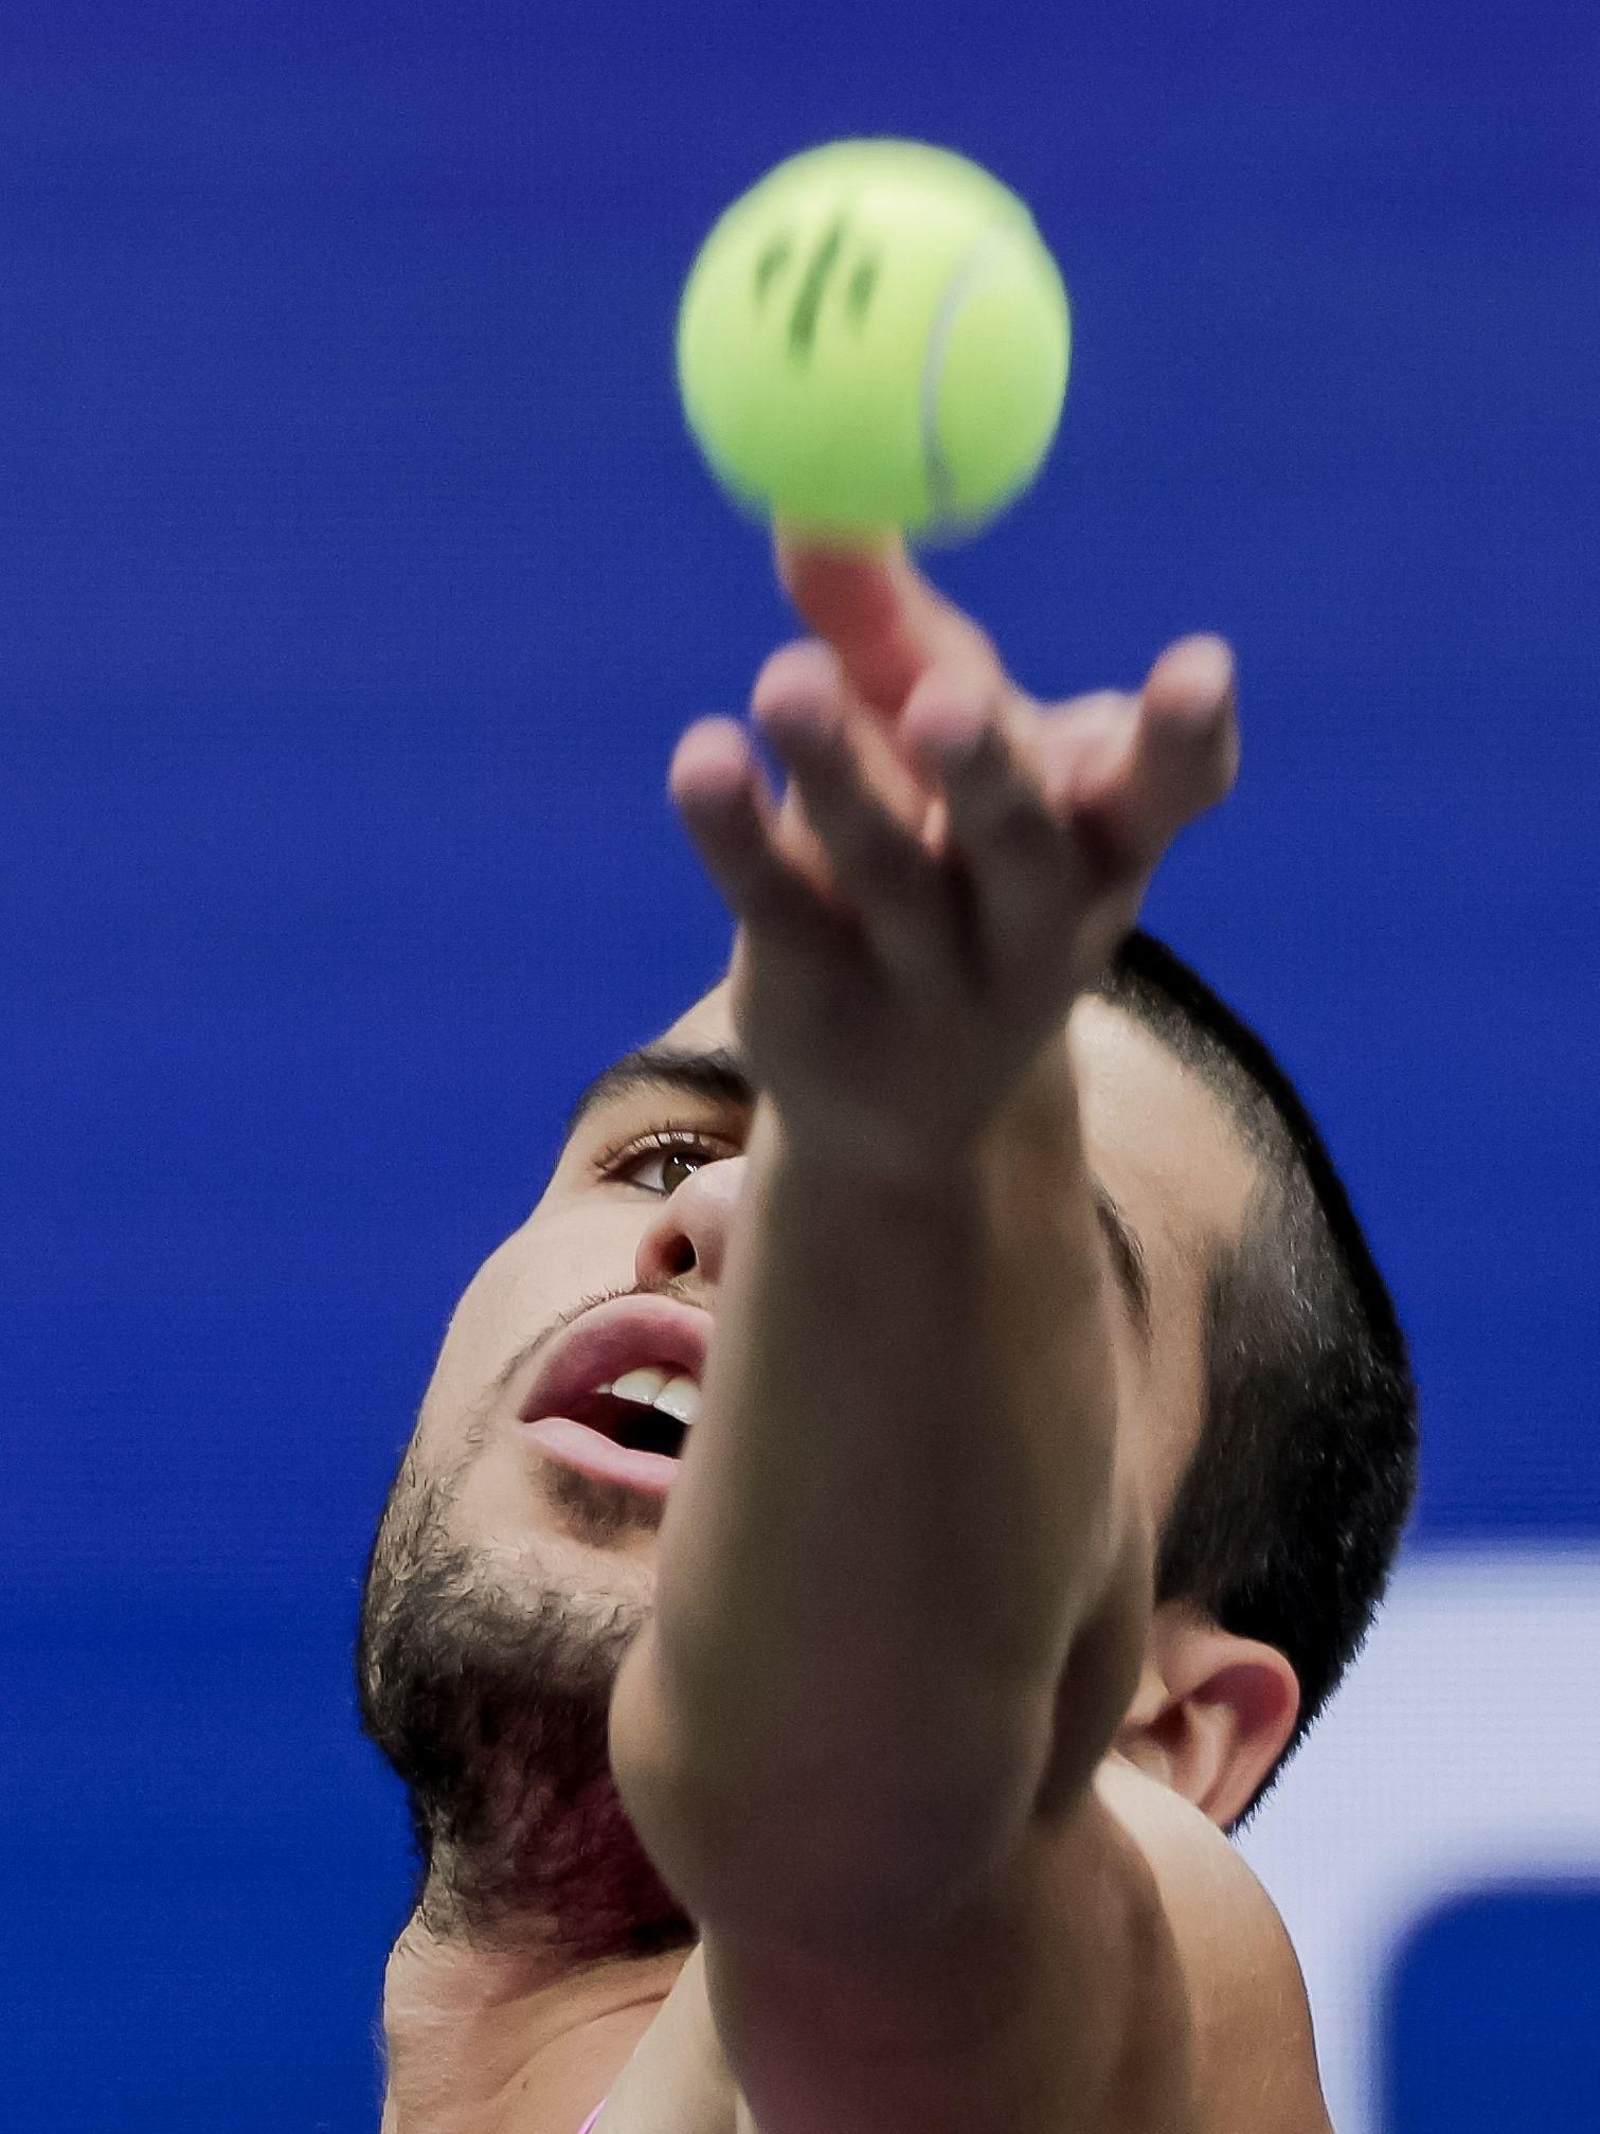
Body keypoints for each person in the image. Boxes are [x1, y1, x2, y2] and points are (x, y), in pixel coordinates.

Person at [357, 533, 1418, 2133]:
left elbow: (883, 1828)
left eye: (964, 1257)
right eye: (665, 1156)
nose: (724, 1219)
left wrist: (916, 1155)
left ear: (1169, 1726)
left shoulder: (1140, 1944)